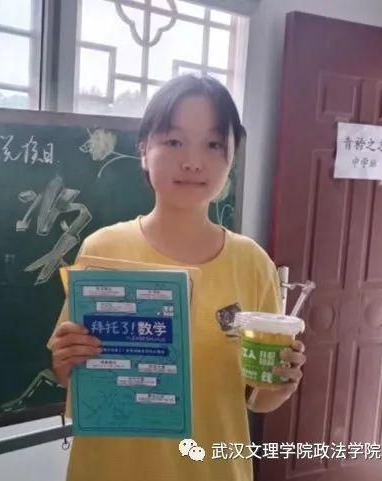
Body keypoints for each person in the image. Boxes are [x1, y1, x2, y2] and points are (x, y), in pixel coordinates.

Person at [47, 74, 307, 481]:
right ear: (144, 151)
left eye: (213, 144)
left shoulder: (252, 263)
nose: (193, 161)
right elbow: (74, 377)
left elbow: (257, 398)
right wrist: (66, 358)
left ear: (232, 157)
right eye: (173, 141)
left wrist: (282, 384)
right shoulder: (103, 249)